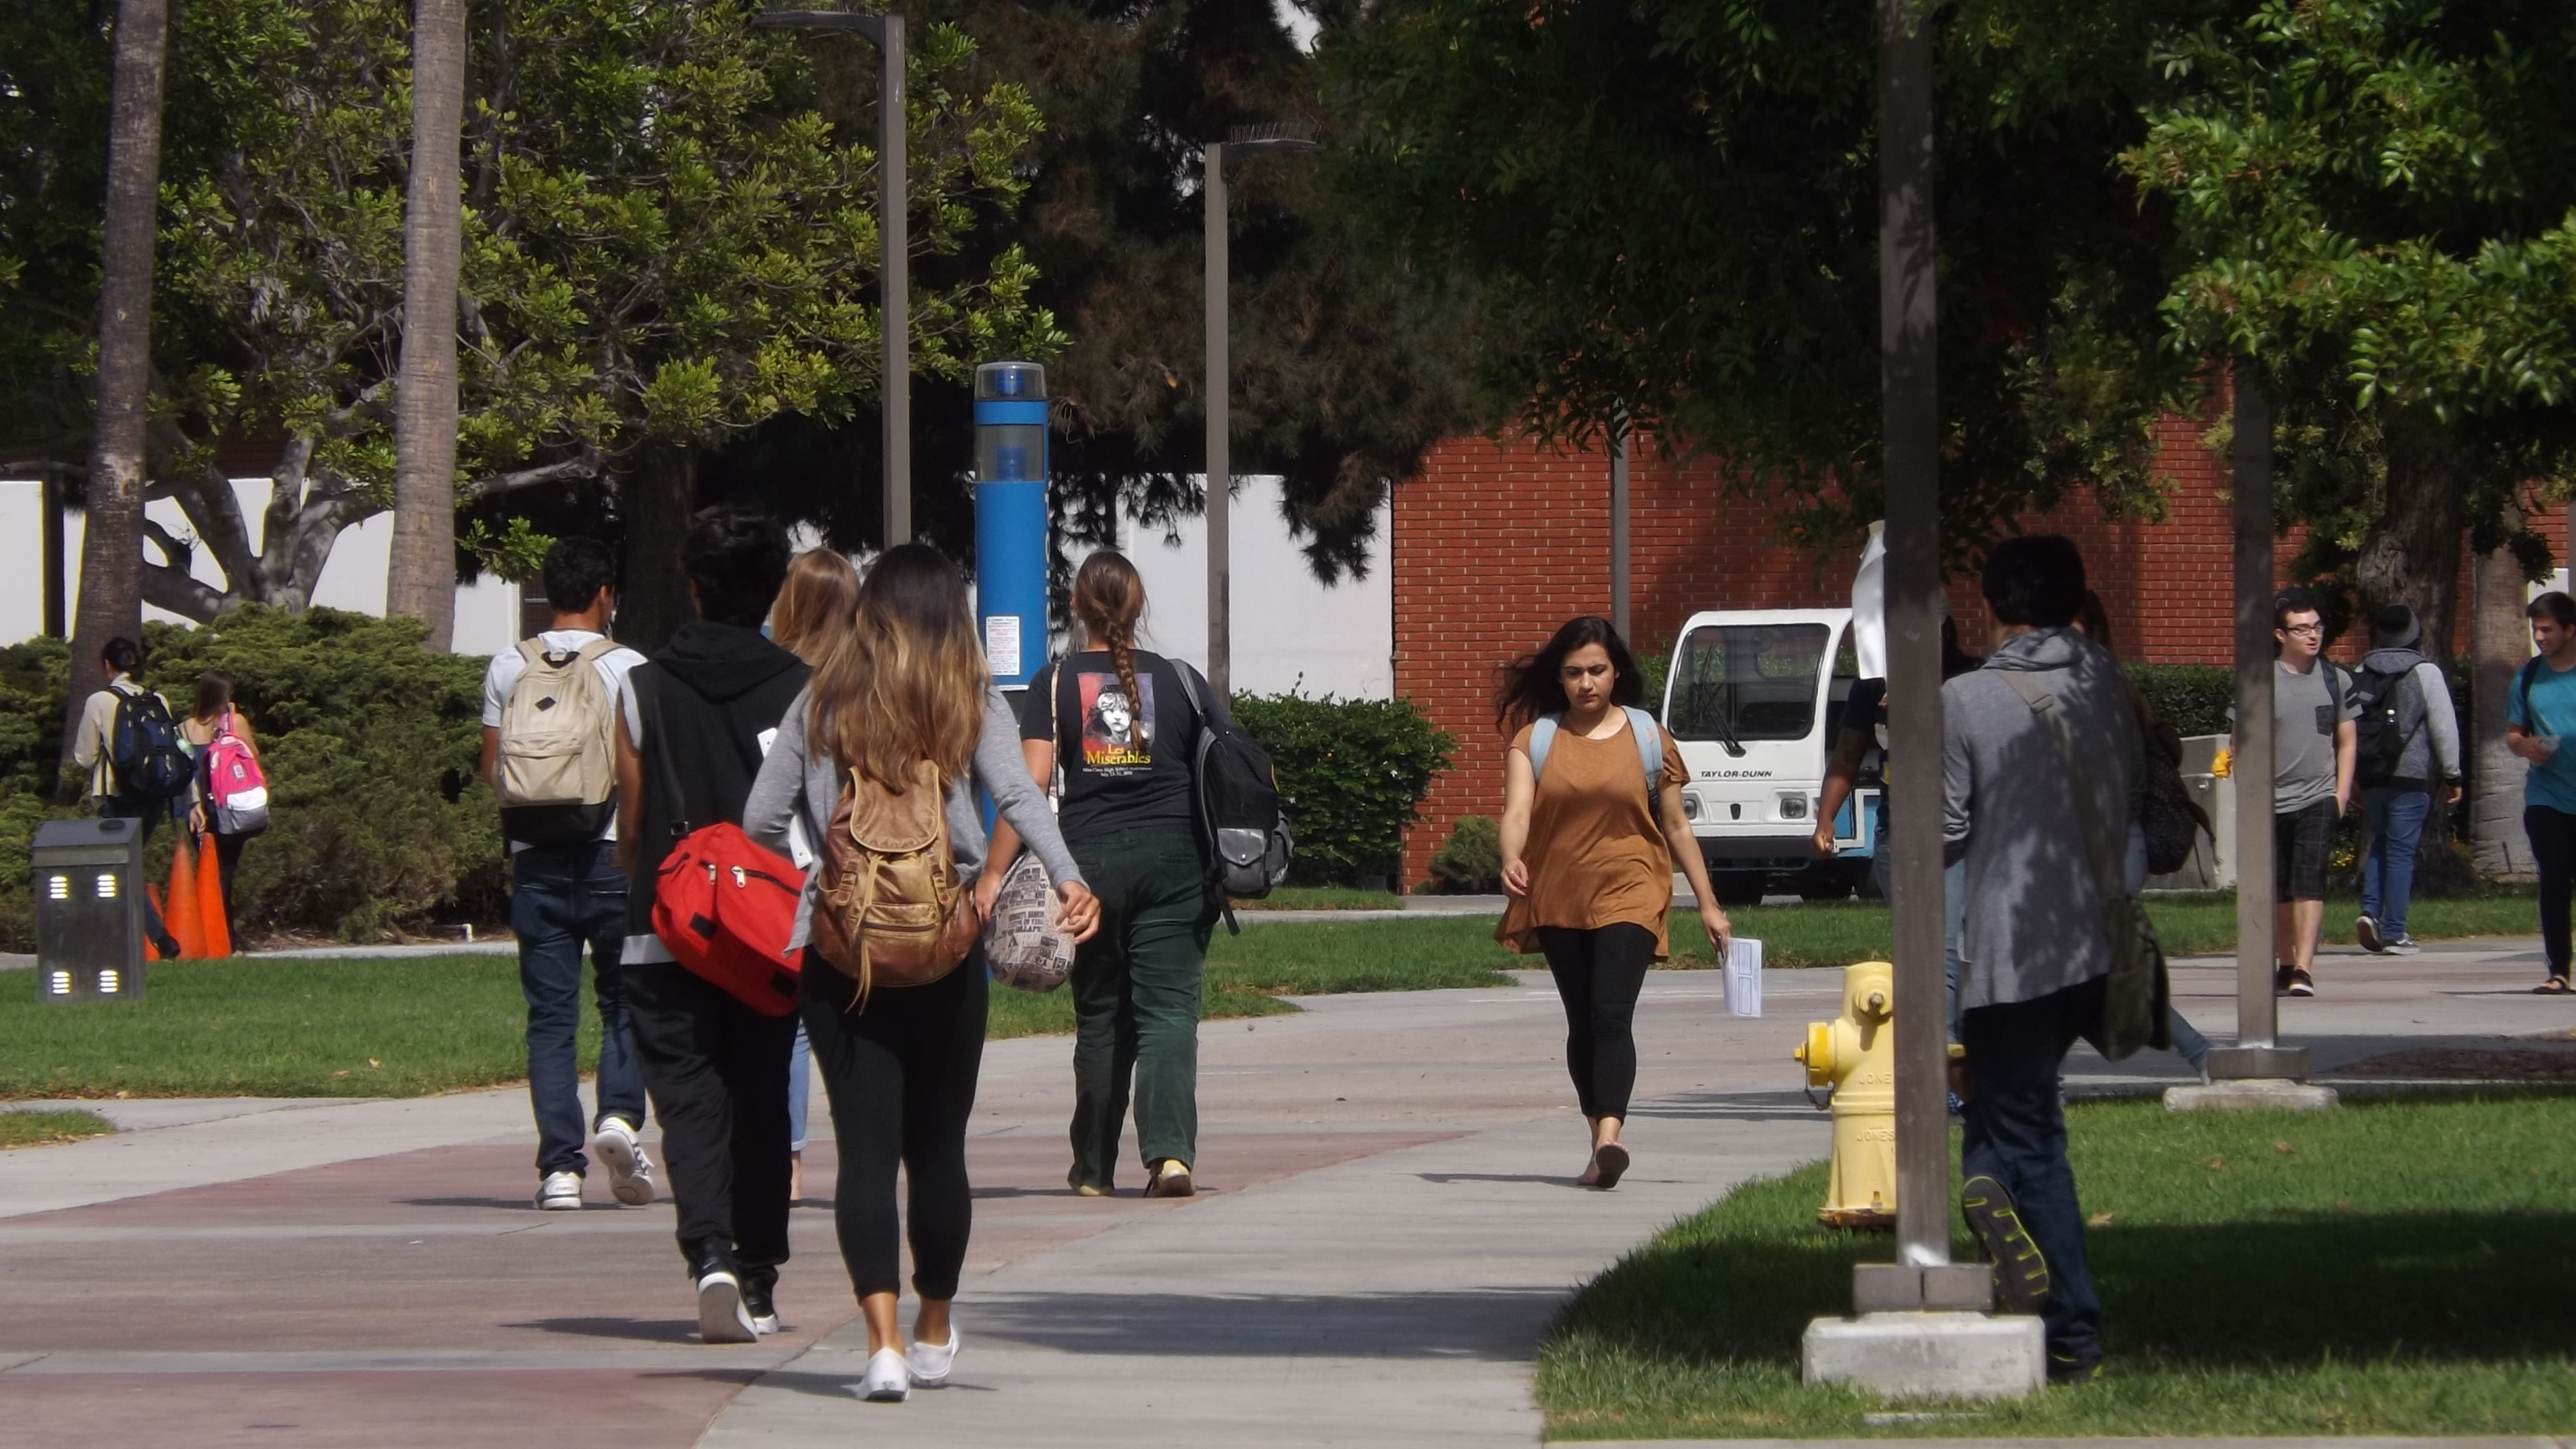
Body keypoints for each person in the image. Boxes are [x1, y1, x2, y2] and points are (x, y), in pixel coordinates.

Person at [745, 543, 1100, 1402]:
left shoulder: (820, 696)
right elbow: (1019, 796)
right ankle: (936, 1325)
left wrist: (816, 880)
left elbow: (759, 819)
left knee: (863, 1153)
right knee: (936, 1148)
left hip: (840, 954)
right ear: (951, 612)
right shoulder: (968, 698)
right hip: (945, 944)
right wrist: (1068, 877)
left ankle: (881, 1347)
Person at [1942, 534, 2141, 1384]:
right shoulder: (2108, 682)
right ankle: (1988, 1189)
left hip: (2009, 950)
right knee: (2008, 1106)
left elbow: (1946, 829)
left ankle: (2072, 1328)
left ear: (1993, 605)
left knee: (2029, 1133)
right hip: (2095, 942)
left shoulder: (1965, 698)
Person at [613, 510, 812, 1344]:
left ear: (694, 585)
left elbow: (630, 820)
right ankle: (759, 1276)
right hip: (770, 934)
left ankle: (711, 1257)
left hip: (668, 928)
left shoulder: (642, 686)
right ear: (774, 590)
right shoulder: (803, 686)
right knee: (762, 1098)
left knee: (689, 1101)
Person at [986, 551, 1218, 1200]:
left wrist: (993, 872)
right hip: (1176, 860)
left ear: (1076, 607)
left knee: (1099, 1019)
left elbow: (1029, 786)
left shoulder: (1054, 682)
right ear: (1137, 608)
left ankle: (1092, 1168)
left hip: (1086, 866)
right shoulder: (1180, 679)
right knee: (1168, 1014)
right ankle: (1171, 1157)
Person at [1496, 615, 1732, 1188]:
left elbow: (1676, 826)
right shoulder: (1536, 740)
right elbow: (1518, 813)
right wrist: (1510, 857)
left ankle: (1610, 1135)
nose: (1586, 684)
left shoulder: (1650, 738)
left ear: (1616, 670)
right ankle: (1595, 1143)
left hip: (1633, 887)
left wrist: (1708, 903)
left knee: (1609, 1013)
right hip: (1558, 892)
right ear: (1560, 677)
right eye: (1574, 672)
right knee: (1582, 1021)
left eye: (1597, 670)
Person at [480, 537, 654, 1213]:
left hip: (536, 858)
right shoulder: (629, 667)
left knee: (550, 1018)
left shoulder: (507, 664)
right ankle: (618, 1117)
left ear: (548, 594)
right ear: (605, 594)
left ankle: (559, 1169)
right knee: (623, 999)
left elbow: (491, 767)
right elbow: (640, 767)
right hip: (612, 853)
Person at [2069, 592, 2212, 1075]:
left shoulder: (2101, 691)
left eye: (2073, 629)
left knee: (2081, 971)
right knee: (2087, 972)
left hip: (2108, 846)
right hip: (2090, 846)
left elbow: (2113, 785)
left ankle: (2202, 1053)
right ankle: (2202, 1053)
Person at [766, 547, 864, 1204]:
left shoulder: (770, 681)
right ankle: (865, 1142)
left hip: (774, 864)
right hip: (847, 869)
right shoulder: (857, 684)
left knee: (787, 1020)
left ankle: (788, 1157)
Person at [2234, 588, 2357, 998]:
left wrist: (2339, 795)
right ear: (2279, 635)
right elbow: (2239, 742)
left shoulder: (2335, 680)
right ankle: (2285, 962)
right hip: (2270, 801)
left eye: (2317, 627)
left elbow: (2347, 740)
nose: (2312, 635)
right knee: (2278, 890)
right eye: (2301, 629)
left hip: (2318, 796)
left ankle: (2304, 968)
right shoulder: (2259, 680)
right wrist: (2249, 796)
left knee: (2310, 883)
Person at [2352, 602, 2462, 955]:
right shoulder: (2425, 672)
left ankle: (2370, 911)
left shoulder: (2361, 669)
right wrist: (2452, 773)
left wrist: (2351, 774)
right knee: (2401, 850)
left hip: (2371, 773)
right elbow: (2444, 725)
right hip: (2409, 773)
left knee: (2380, 843)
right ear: (2414, 632)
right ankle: (2396, 931)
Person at [70, 636, 183, 958]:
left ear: (108, 664)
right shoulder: (157, 698)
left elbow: (85, 756)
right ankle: (153, 939)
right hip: (155, 795)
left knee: (120, 868)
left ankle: (158, 940)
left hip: (118, 796)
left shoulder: (100, 701)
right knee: (124, 866)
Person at [2508, 590, 2576, 995]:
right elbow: (2514, 735)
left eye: (2548, 629)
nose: (2540, 636)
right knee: (2553, 880)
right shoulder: (2528, 676)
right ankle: (2558, 971)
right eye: (2536, 629)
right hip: (2546, 797)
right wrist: (2526, 747)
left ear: (2571, 630)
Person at [180, 673, 260, 940]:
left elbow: (184, 773)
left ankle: (212, 932)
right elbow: (252, 755)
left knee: (210, 869)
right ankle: (226, 935)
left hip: (197, 810)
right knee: (225, 871)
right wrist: (233, 725)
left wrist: (192, 806)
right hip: (228, 807)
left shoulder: (183, 729)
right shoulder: (234, 722)